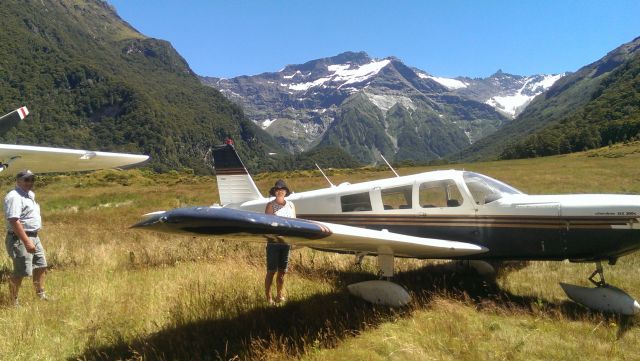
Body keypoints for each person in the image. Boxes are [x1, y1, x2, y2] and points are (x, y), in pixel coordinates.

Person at [4, 170, 49, 306]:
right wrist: (27, 241)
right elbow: (14, 220)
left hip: (34, 235)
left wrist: (32, 239)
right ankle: (13, 301)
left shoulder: (30, 195)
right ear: (18, 181)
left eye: (31, 180)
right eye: (26, 180)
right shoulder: (14, 196)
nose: (30, 182)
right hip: (20, 238)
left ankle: (40, 295)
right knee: (21, 271)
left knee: (41, 265)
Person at [264, 179, 295, 305]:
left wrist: (292, 240)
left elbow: (294, 223)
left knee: (283, 271)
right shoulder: (270, 206)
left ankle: (279, 295)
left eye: (282, 190)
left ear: (285, 192)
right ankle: (268, 298)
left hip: (286, 243)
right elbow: (267, 225)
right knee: (271, 271)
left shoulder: (291, 205)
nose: (279, 192)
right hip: (273, 242)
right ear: (274, 192)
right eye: (277, 190)